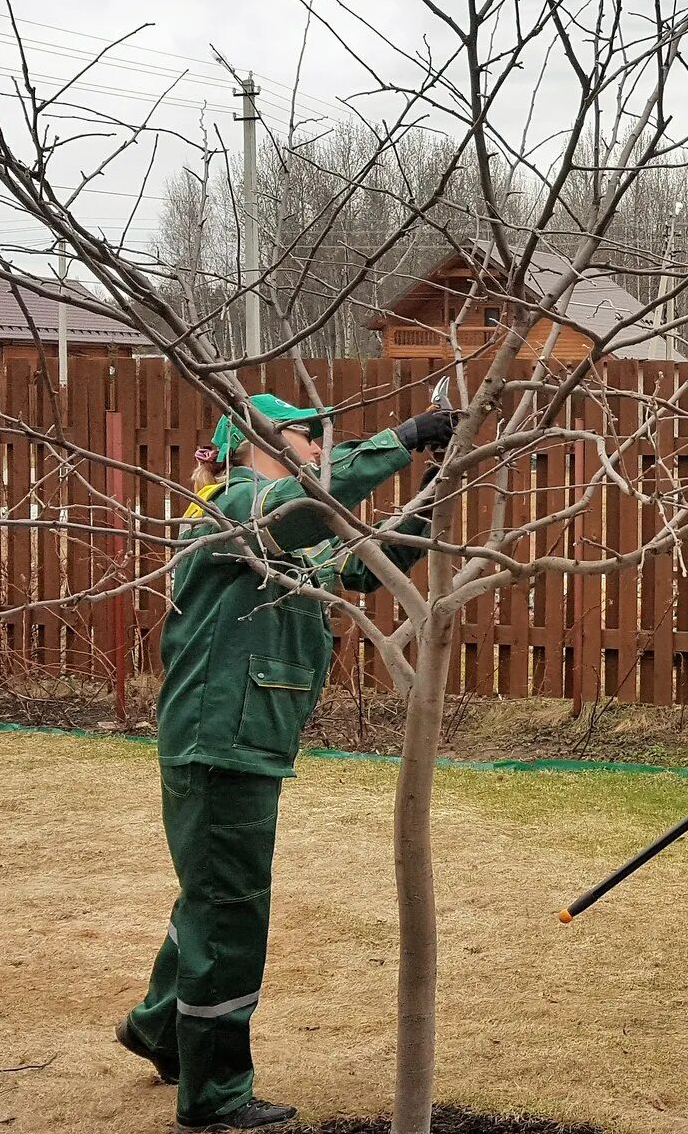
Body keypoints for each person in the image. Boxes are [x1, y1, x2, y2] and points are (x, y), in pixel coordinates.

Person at [116, 392, 455, 1130]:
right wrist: (401, 440)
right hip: (221, 743)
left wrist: (436, 489)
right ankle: (214, 1094)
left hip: (245, 737)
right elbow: (308, 507)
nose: (322, 447)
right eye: (312, 436)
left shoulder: (288, 526)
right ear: (261, 439)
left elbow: (365, 569)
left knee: (210, 894)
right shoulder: (236, 505)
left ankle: (156, 1027)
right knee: (230, 913)